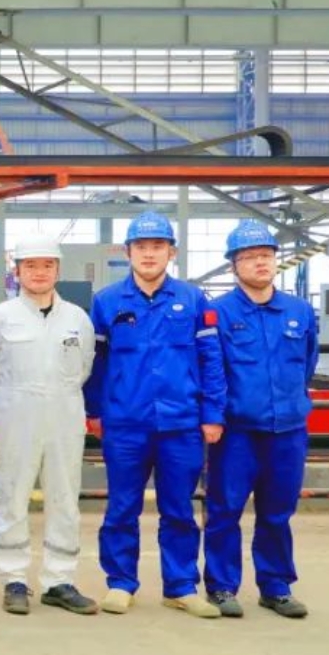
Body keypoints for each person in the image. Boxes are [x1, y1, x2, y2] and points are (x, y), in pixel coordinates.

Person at [85, 210, 226, 618]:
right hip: (125, 424)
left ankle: (180, 586)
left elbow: (211, 358)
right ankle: (120, 583)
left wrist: (213, 413)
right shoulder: (107, 301)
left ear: (171, 253)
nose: (149, 254)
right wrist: (95, 410)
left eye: (158, 246)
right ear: (127, 252)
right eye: (141, 247)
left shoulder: (193, 300)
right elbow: (96, 363)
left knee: (179, 508)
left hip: (181, 423)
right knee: (122, 507)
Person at [0, 235, 98, 616]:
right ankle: (13, 579)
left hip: (64, 415)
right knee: (11, 498)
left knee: (65, 498)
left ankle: (59, 580)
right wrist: (10, 406)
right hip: (14, 416)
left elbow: (84, 368)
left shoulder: (78, 319)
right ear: (17, 272)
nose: (40, 272)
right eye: (30, 265)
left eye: (47, 265)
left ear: (58, 270)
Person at [204, 221, 318, 619]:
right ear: (233, 266)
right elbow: (211, 369)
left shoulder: (299, 311)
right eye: (250, 257)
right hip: (236, 432)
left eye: (266, 255)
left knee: (277, 512)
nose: (260, 263)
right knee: (224, 509)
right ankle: (221, 586)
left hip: (288, 431)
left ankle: (276, 587)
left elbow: (307, 363)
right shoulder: (217, 313)